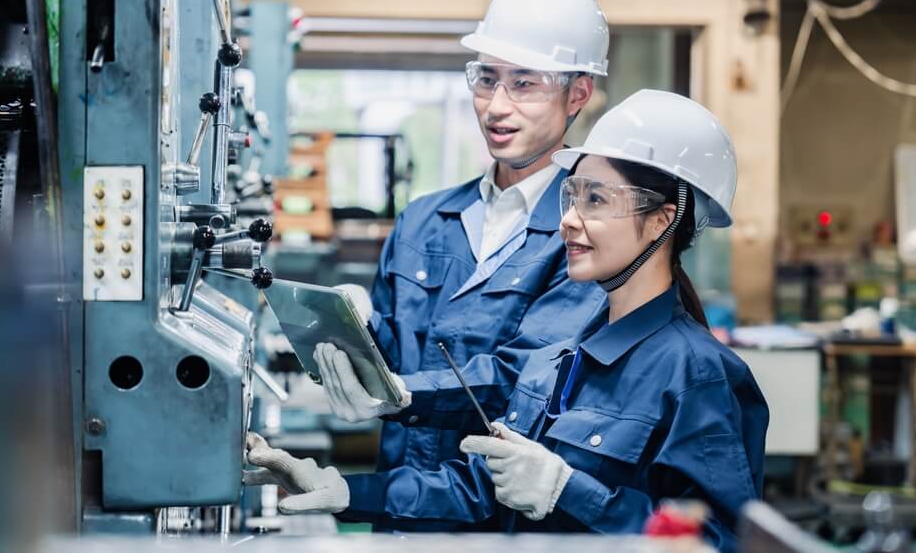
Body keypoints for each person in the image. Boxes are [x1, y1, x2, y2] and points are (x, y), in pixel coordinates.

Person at [246, 90, 768, 551]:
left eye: (597, 200)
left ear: (663, 218)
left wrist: (570, 490)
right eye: (572, 194)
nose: (568, 218)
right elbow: (477, 492)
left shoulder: (698, 374)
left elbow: (719, 542)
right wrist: (340, 489)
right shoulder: (557, 359)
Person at [274, 0, 611, 531]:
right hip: (399, 511)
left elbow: (520, 378)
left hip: (501, 530)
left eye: (524, 83)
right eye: (487, 79)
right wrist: (354, 330)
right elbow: (396, 350)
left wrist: (402, 394)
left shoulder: (583, 235)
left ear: (577, 94)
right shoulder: (424, 220)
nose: (496, 107)